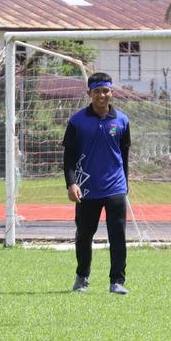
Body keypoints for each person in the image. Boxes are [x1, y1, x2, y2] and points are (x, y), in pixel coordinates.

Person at [63, 71, 131, 295]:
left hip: (115, 188)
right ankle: (82, 277)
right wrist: (71, 183)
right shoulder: (77, 122)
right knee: (84, 235)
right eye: (97, 91)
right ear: (89, 93)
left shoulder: (122, 120)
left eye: (106, 90)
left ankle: (117, 281)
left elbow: (124, 155)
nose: (102, 95)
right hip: (87, 188)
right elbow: (69, 157)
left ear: (111, 92)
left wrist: (125, 185)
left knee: (118, 236)